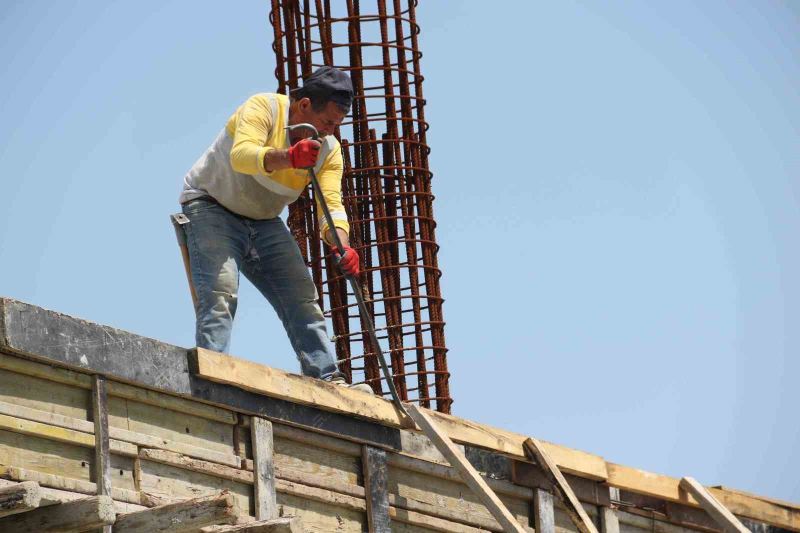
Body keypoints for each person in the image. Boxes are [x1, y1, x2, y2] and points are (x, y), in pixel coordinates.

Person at [178, 66, 370, 392]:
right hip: (211, 206)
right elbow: (243, 156)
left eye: (336, 126)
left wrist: (342, 246)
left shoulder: (328, 150)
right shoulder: (264, 108)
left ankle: (328, 378)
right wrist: (289, 157)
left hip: (264, 221)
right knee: (221, 292)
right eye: (326, 123)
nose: (328, 133)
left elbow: (331, 207)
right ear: (304, 106)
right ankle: (213, 372)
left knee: (303, 298)